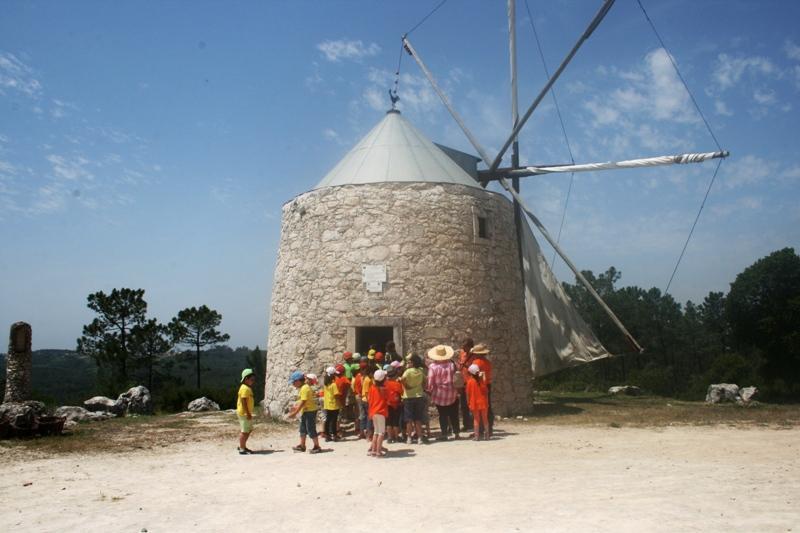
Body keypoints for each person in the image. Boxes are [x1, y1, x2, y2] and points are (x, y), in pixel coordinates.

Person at [426, 344, 459, 440]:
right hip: (452, 393)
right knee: (454, 414)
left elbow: (430, 382)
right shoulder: (452, 364)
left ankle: (444, 434)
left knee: (443, 415)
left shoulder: (432, 366)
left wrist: (430, 391)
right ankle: (456, 433)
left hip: (439, 394)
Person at [287, 371, 322, 454]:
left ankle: (317, 446)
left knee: (310, 429)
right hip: (306, 411)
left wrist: (295, 413)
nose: (293, 384)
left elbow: (303, 402)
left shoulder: (304, 388)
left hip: (310, 411)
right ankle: (302, 445)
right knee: (302, 429)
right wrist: (296, 406)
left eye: (293, 382)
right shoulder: (303, 388)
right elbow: (302, 400)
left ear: (298, 381)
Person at [401, 353, 427, 444]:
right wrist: (421, 388)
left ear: (412, 362)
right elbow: (425, 381)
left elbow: (402, 380)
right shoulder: (421, 370)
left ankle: (409, 438)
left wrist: (407, 387)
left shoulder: (407, 371)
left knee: (409, 419)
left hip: (408, 397)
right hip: (419, 396)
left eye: (409, 362)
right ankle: (420, 438)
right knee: (418, 419)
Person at [471, 343, 494, 433]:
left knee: (477, 407)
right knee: (487, 406)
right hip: (487, 385)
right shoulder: (488, 362)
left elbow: (473, 374)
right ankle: (489, 428)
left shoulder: (476, 362)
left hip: (478, 386)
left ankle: (479, 429)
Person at [367, 369, 389, 457]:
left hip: (373, 411)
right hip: (381, 411)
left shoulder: (372, 387)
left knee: (376, 431)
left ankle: (373, 450)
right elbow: (387, 399)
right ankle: (378, 451)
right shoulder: (384, 389)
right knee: (381, 433)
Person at [466, 363, 490, 441]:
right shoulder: (482, 381)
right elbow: (486, 391)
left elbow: (468, 394)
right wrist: (483, 376)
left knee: (476, 419)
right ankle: (487, 435)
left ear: (470, 373)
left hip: (474, 403)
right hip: (483, 402)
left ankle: (476, 437)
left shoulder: (469, 382)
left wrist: (468, 403)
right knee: (485, 419)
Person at [237, 368, 256, 455]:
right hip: (244, 413)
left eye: (253, 379)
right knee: (244, 431)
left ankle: (243, 445)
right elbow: (243, 401)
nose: (253, 381)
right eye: (251, 379)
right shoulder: (244, 388)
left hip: (247, 413)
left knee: (248, 429)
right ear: (246, 379)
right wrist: (248, 413)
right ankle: (242, 448)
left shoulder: (247, 388)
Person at [457, 338, 475, 432]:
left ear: (470, 347)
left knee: (472, 404)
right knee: (463, 405)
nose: (463, 348)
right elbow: (459, 363)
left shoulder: (474, 356)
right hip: (463, 382)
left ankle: (474, 424)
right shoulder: (461, 353)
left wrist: (466, 366)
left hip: (471, 383)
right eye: (462, 346)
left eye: (465, 346)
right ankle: (466, 424)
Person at [384, 366, 404, 443]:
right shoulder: (397, 384)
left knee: (388, 421)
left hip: (387, 404)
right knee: (396, 421)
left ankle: (389, 437)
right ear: (395, 375)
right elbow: (401, 393)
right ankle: (396, 437)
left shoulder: (385, 384)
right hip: (396, 404)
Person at [322, 366, 341, 442]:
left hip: (327, 404)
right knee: (334, 420)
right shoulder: (333, 385)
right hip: (334, 405)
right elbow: (336, 395)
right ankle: (335, 435)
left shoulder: (326, 384)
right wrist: (340, 403)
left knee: (328, 420)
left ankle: (327, 435)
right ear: (333, 375)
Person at [334, 364, 350, 438]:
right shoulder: (344, 379)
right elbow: (348, 385)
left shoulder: (333, 378)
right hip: (340, 400)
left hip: (332, 400)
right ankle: (337, 431)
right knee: (338, 417)